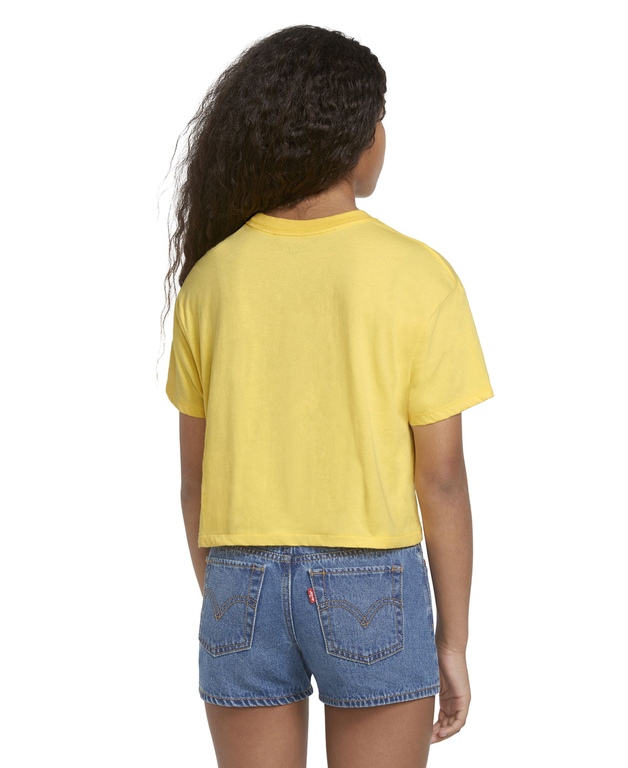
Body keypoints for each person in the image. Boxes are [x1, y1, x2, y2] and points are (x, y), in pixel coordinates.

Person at [162, 24, 493, 768]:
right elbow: (440, 479)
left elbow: (195, 482)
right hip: (372, 581)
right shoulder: (418, 275)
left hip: (238, 578)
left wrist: (232, 599)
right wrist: (453, 640)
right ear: (359, 136)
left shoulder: (211, 279)